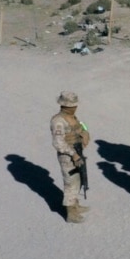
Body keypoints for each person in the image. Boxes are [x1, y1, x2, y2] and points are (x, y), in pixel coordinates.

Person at [50, 91, 91, 223]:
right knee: (70, 182)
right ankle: (70, 213)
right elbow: (58, 143)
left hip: (77, 151)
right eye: (73, 105)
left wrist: (84, 132)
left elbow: (80, 127)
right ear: (66, 106)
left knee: (78, 180)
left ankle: (75, 204)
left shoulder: (72, 117)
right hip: (68, 156)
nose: (75, 107)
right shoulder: (58, 121)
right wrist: (73, 155)